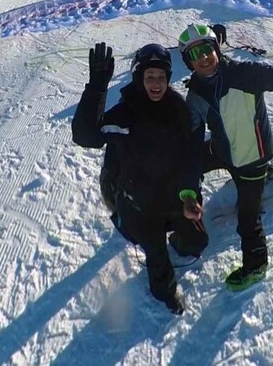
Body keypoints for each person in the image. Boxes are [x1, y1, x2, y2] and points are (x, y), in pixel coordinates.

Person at [177, 0, 273, 291]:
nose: (203, 58)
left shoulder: (244, 74)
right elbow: (192, 147)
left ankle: (256, 266)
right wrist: (189, 191)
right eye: (194, 54)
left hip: (251, 160)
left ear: (216, 49)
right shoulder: (194, 95)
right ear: (188, 62)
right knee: (182, 167)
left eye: (206, 49)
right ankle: (189, 230)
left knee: (248, 218)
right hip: (222, 151)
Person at [71, 42, 209, 314]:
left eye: (161, 77)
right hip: (140, 205)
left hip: (173, 196)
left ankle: (178, 240)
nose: (156, 83)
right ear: (138, 78)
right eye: (149, 76)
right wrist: (97, 87)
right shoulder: (127, 113)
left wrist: (190, 193)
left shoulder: (178, 109)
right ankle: (164, 293)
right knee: (157, 256)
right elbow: (85, 136)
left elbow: (191, 157)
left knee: (197, 243)